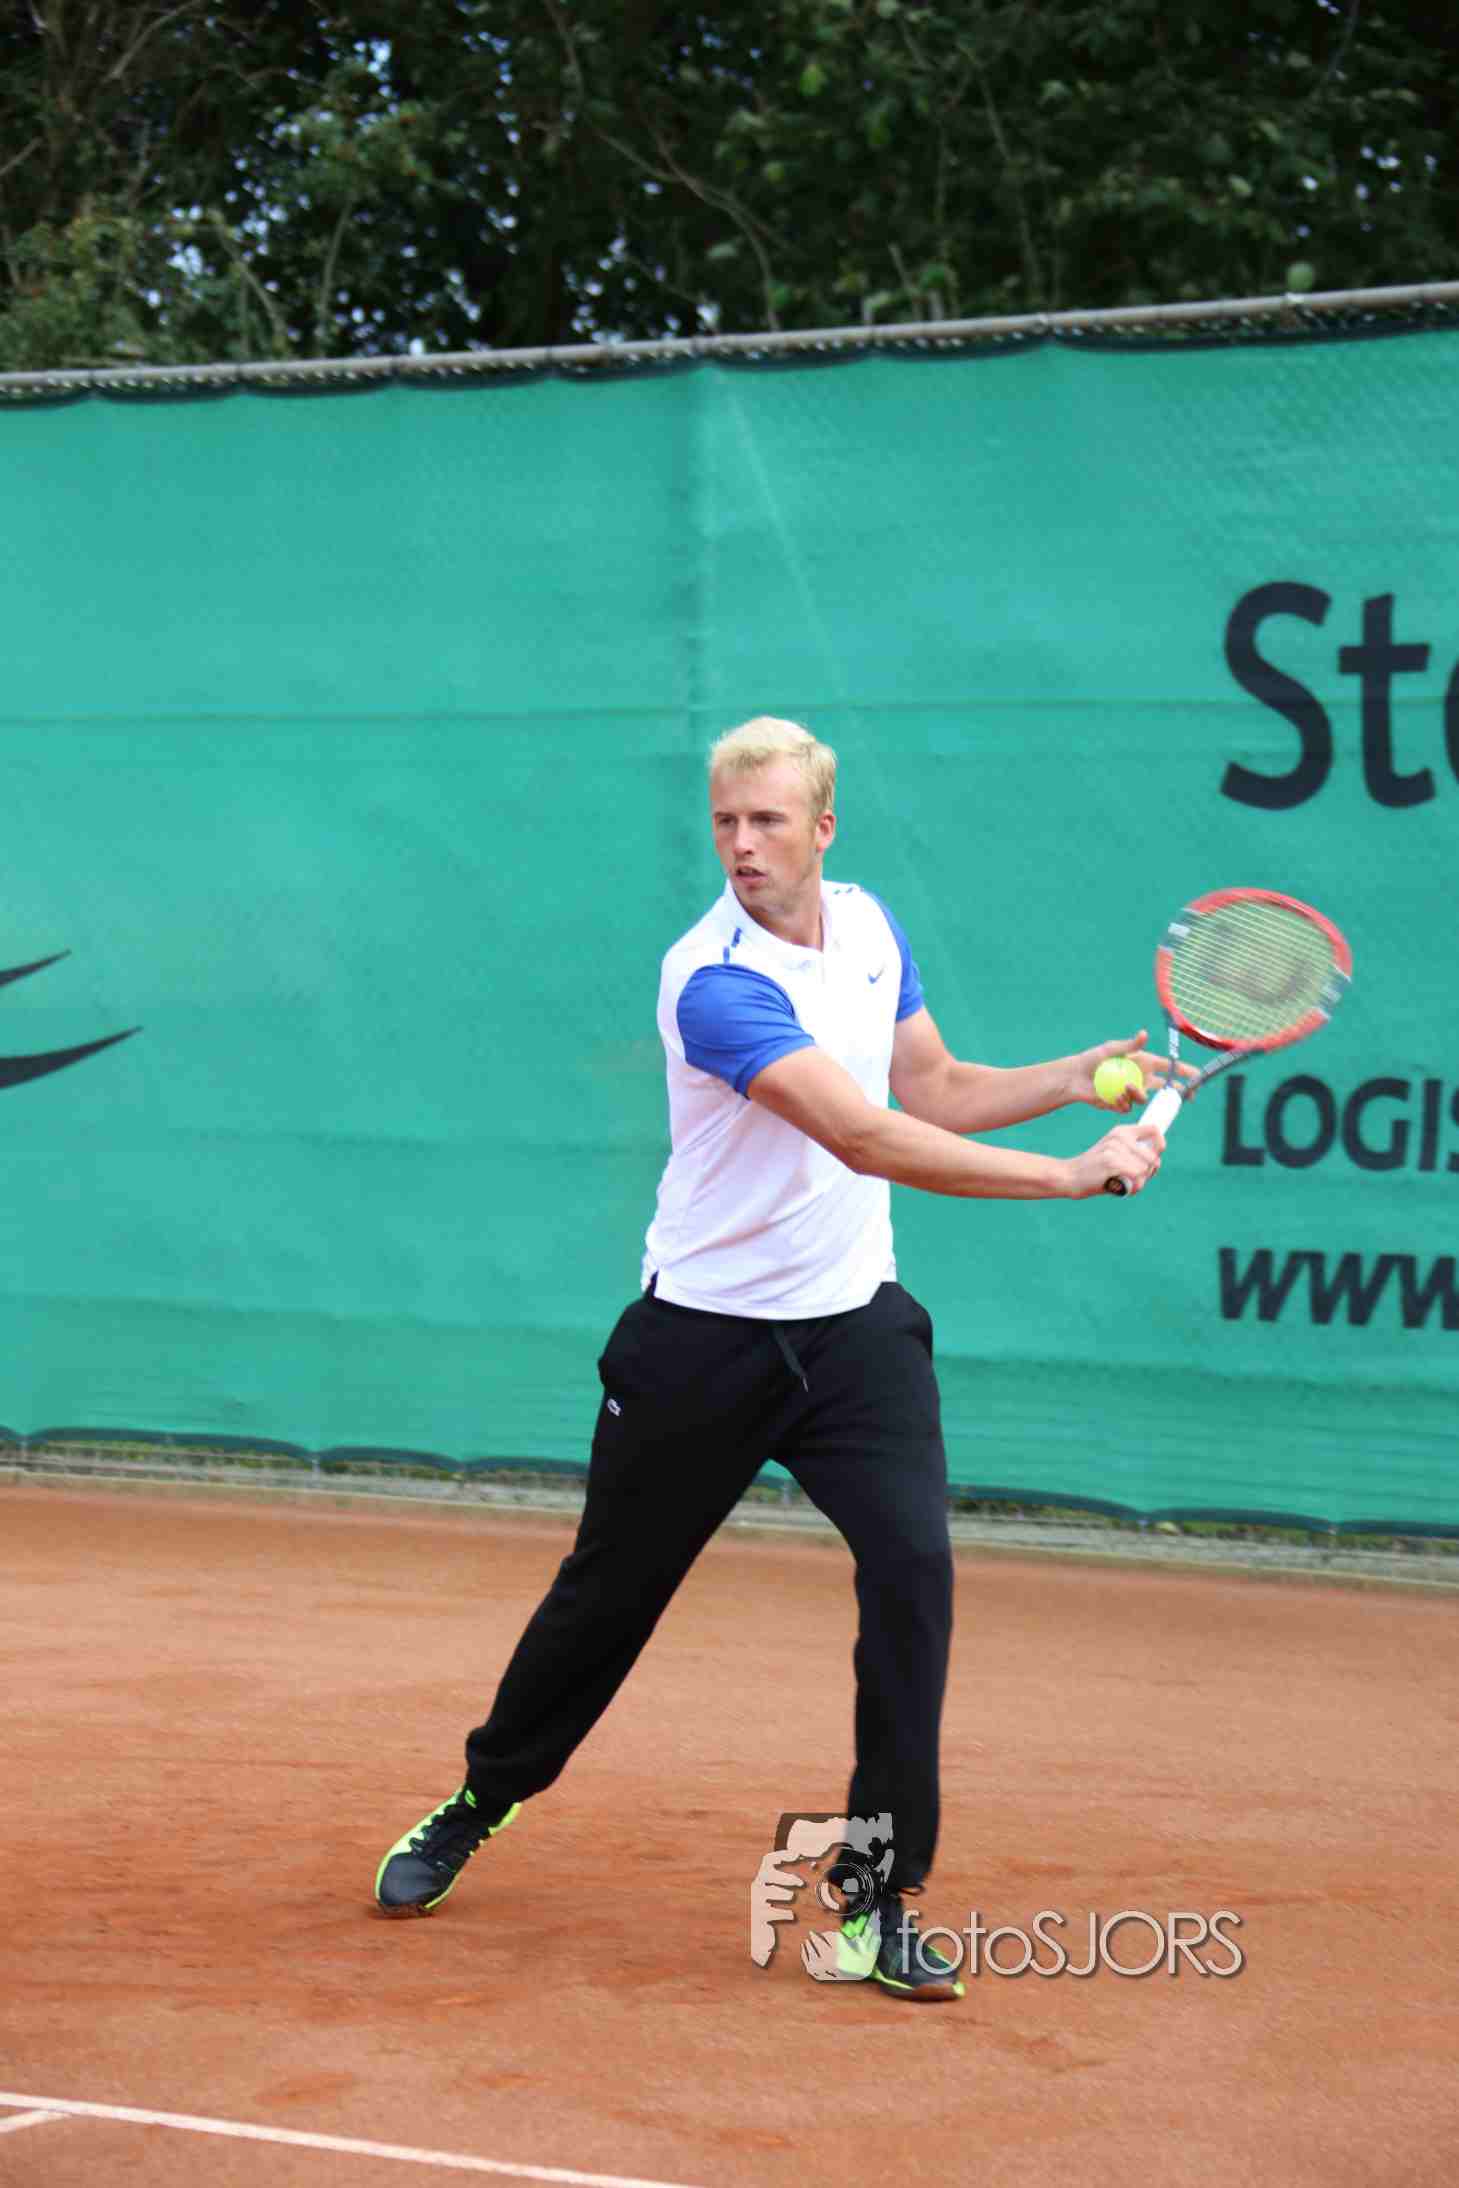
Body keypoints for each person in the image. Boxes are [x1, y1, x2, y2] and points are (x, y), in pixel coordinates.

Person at [374, 717, 1168, 2002]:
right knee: (607, 1599)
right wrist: (1069, 1176)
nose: (742, 845)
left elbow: (934, 1088)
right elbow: (863, 1136)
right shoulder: (712, 981)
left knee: (912, 1576)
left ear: (822, 828)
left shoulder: (869, 926)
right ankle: (483, 1794)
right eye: (725, 823)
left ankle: (874, 1897)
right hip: (702, 1338)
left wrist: (1074, 1077)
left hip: (853, 1333)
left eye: (767, 821)